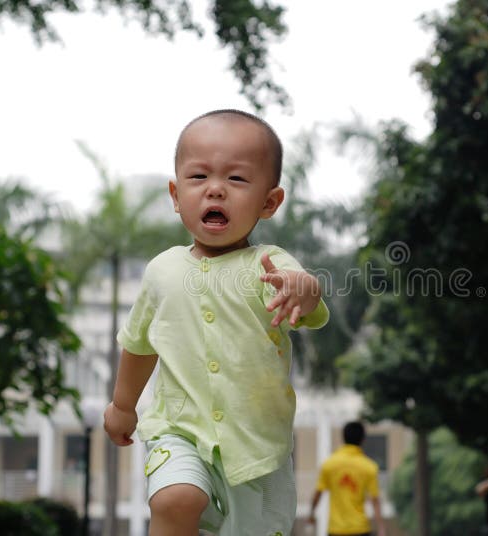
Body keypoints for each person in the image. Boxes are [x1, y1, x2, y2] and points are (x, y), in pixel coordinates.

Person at [103, 109, 329, 536]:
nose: (215, 190)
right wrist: (123, 405)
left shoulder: (269, 264)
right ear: (175, 194)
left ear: (269, 202)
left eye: (237, 179)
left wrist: (303, 288)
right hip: (178, 431)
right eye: (198, 177)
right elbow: (139, 344)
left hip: (256, 448)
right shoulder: (162, 271)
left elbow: (307, 294)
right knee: (176, 497)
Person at [308, 421, 386, 536]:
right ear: (363, 439)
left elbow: (318, 493)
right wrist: (381, 528)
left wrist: (311, 514)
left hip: (336, 529)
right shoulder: (369, 466)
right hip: (360, 529)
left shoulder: (329, 464)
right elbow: (375, 500)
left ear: (343, 437)